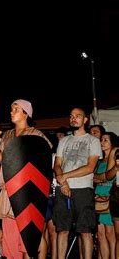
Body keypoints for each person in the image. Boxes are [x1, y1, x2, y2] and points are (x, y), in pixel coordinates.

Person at [0, 99, 52, 258]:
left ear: (26, 114)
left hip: (27, 193)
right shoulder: (8, 135)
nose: (11, 111)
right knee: (10, 237)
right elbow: (3, 159)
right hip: (8, 190)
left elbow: (45, 154)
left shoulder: (35, 134)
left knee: (29, 237)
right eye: (11, 109)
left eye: (16, 109)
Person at [53, 107, 102, 259]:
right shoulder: (64, 140)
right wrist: (64, 183)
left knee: (85, 231)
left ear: (85, 119)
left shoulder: (92, 141)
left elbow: (90, 167)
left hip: (83, 189)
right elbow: (57, 164)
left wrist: (65, 176)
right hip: (63, 189)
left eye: (78, 116)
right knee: (62, 230)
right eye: (71, 116)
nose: (74, 118)